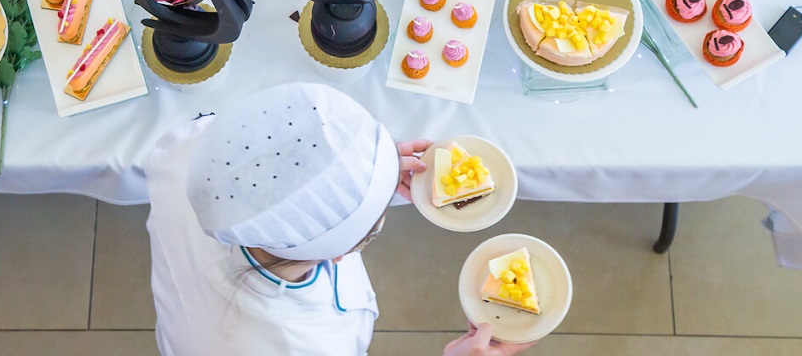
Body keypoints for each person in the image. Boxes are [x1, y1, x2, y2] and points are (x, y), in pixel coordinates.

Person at [143, 82, 535, 356]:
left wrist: (359, 164)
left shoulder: (186, 154)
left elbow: (277, 152)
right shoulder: (307, 344)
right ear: (344, 251)